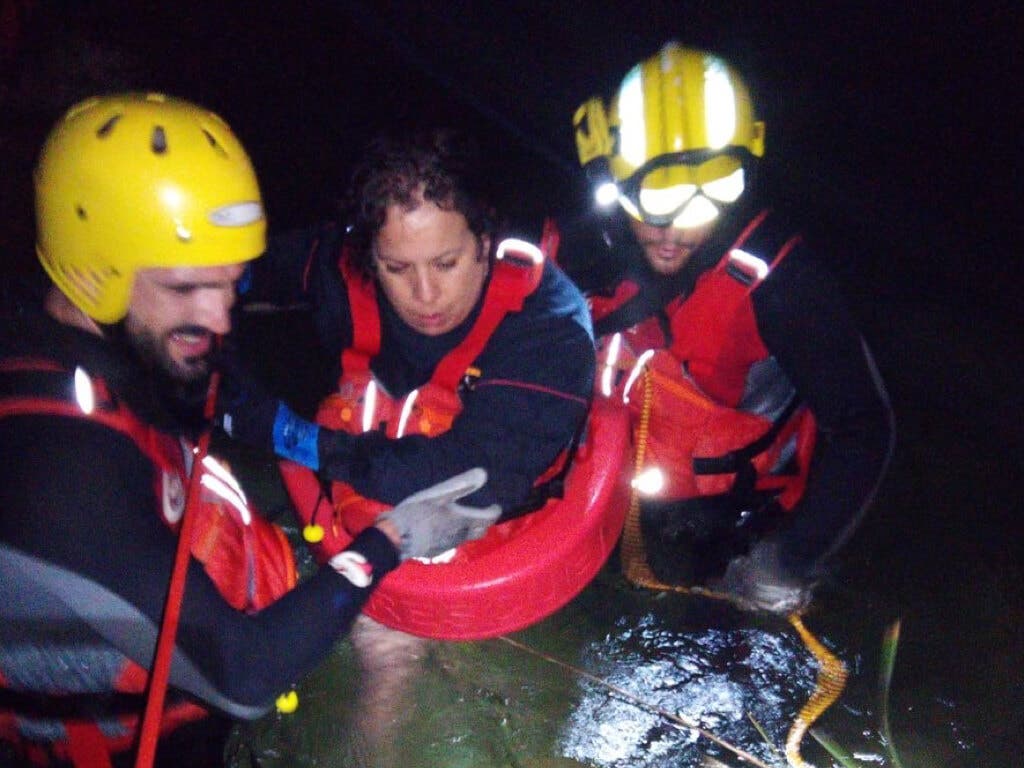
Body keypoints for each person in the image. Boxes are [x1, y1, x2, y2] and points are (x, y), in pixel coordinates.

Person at [0, 92, 499, 768]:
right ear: (96, 275)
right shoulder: (56, 464)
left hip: (188, 658)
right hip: (141, 743)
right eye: (187, 291)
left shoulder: (124, 342)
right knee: (389, 655)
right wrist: (392, 539)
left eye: (230, 284)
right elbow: (245, 678)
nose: (221, 320)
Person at [563, 42, 895, 613]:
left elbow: (865, 428)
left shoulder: (780, 282)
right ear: (613, 184)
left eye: (708, 199)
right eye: (655, 200)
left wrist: (789, 559)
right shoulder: (587, 246)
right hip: (617, 485)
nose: (676, 231)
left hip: (734, 521)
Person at [222, 127, 596, 558]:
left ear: (485, 240)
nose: (425, 294)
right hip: (351, 512)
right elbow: (238, 271)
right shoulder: (343, 266)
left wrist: (290, 435)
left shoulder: (552, 330)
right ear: (371, 256)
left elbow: (473, 474)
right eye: (396, 267)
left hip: (494, 546)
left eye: (446, 263)